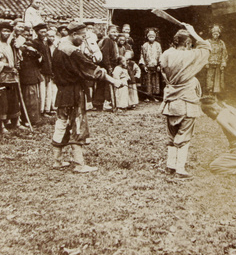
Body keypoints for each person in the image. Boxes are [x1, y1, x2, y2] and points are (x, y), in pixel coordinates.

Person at [51, 21, 122, 173]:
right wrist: (113, 80)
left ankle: (57, 161)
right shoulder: (73, 52)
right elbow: (91, 68)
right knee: (78, 124)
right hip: (74, 92)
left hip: (62, 92)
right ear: (74, 34)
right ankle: (79, 164)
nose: (83, 39)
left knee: (61, 123)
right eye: (82, 36)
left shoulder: (57, 48)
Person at [159, 23, 211, 178]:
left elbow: (162, 69)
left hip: (171, 100)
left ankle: (170, 166)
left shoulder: (167, 53)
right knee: (184, 135)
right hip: (187, 101)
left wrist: (173, 82)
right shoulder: (191, 55)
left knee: (172, 134)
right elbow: (207, 47)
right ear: (188, 43)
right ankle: (180, 169)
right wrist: (193, 32)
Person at [0, 21, 22, 133]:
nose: (6, 33)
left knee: (13, 99)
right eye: (4, 31)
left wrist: (15, 64)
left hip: (11, 77)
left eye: (8, 31)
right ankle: (1, 125)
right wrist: (7, 66)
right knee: (2, 102)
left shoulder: (9, 45)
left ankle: (15, 122)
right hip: (2, 77)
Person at [93, 25, 118, 111]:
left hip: (106, 65)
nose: (115, 34)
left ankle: (98, 103)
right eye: (113, 32)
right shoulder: (107, 40)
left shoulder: (111, 41)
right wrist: (109, 67)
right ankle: (106, 103)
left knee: (102, 85)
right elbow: (105, 54)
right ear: (108, 32)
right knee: (107, 85)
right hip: (106, 65)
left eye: (116, 32)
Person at [139, 29, 162, 102]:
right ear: (147, 37)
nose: (151, 38)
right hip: (148, 65)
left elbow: (160, 55)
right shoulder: (145, 45)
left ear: (155, 37)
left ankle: (155, 96)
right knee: (148, 81)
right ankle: (148, 96)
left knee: (155, 81)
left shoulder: (158, 45)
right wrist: (144, 65)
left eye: (153, 37)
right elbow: (142, 55)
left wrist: (159, 65)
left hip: (155, 65)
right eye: (150, 37)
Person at [205, 24, 228, 97]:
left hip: (218, 63)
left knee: (217, 80)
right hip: (210, 63)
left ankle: (215, 95)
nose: (215, 35)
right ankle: (209, 93)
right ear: (211, 34)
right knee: (209, 78)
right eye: (214, 34)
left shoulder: (221, 43)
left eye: (217, 34)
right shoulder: (207, 42)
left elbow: (224, 53)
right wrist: (206, 62)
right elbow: (205, 53)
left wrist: (223, 62)